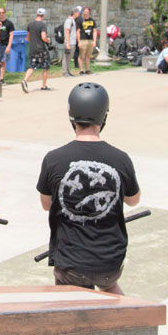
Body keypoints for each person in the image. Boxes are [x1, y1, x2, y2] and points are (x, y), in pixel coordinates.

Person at [37, 83, 140, 293]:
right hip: (109, 261)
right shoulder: (120, 159)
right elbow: (133, 200)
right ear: (104, 116)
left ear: (71, 116)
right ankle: (126, 317)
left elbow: (46, 204)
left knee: (71, 300)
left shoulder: (54, 159)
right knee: (108, 284)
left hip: (70, 262)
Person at [22, 8, 51, 93]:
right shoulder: (42, 25)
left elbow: (27, 37)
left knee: (32, 66)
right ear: (44, 15)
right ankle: (43, 85)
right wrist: (48, 40)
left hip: (33, 49)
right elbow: (43, 37)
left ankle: (25, 80)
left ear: (36, 14)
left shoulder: (30, 24)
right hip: (41, 49)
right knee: (45, 67)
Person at [0, 7, 15, 83]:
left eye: (2, 13)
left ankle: (1, 78)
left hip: (5, 45)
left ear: (5, 13)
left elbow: (11, 35)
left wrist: (9, 46)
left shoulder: (9, 23)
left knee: (3, 61)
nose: (1, 14)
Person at [62, 7, 81, 78]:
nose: (79, 13)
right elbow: (67, 31)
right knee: (66, 58)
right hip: (69, 43)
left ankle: (68, 71)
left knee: (69, 58)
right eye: (78, 12)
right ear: (74, 13)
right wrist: (67, 43)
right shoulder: (69, 21)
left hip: (73, 42)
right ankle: (65, 72)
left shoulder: (73, 20)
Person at [78, 7, 96, 74]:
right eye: (84, 11)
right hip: (83, 39)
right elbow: (78, 31)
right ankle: (81, 70)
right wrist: (79, 41)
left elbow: (94, 31)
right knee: (81, 56)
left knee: (88, 56)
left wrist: (94, 41)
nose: (86, 13)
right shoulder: (80, 20)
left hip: (90, 40)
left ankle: (87, 69)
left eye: (87, 12)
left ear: (89, 12)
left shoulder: (92, 21)